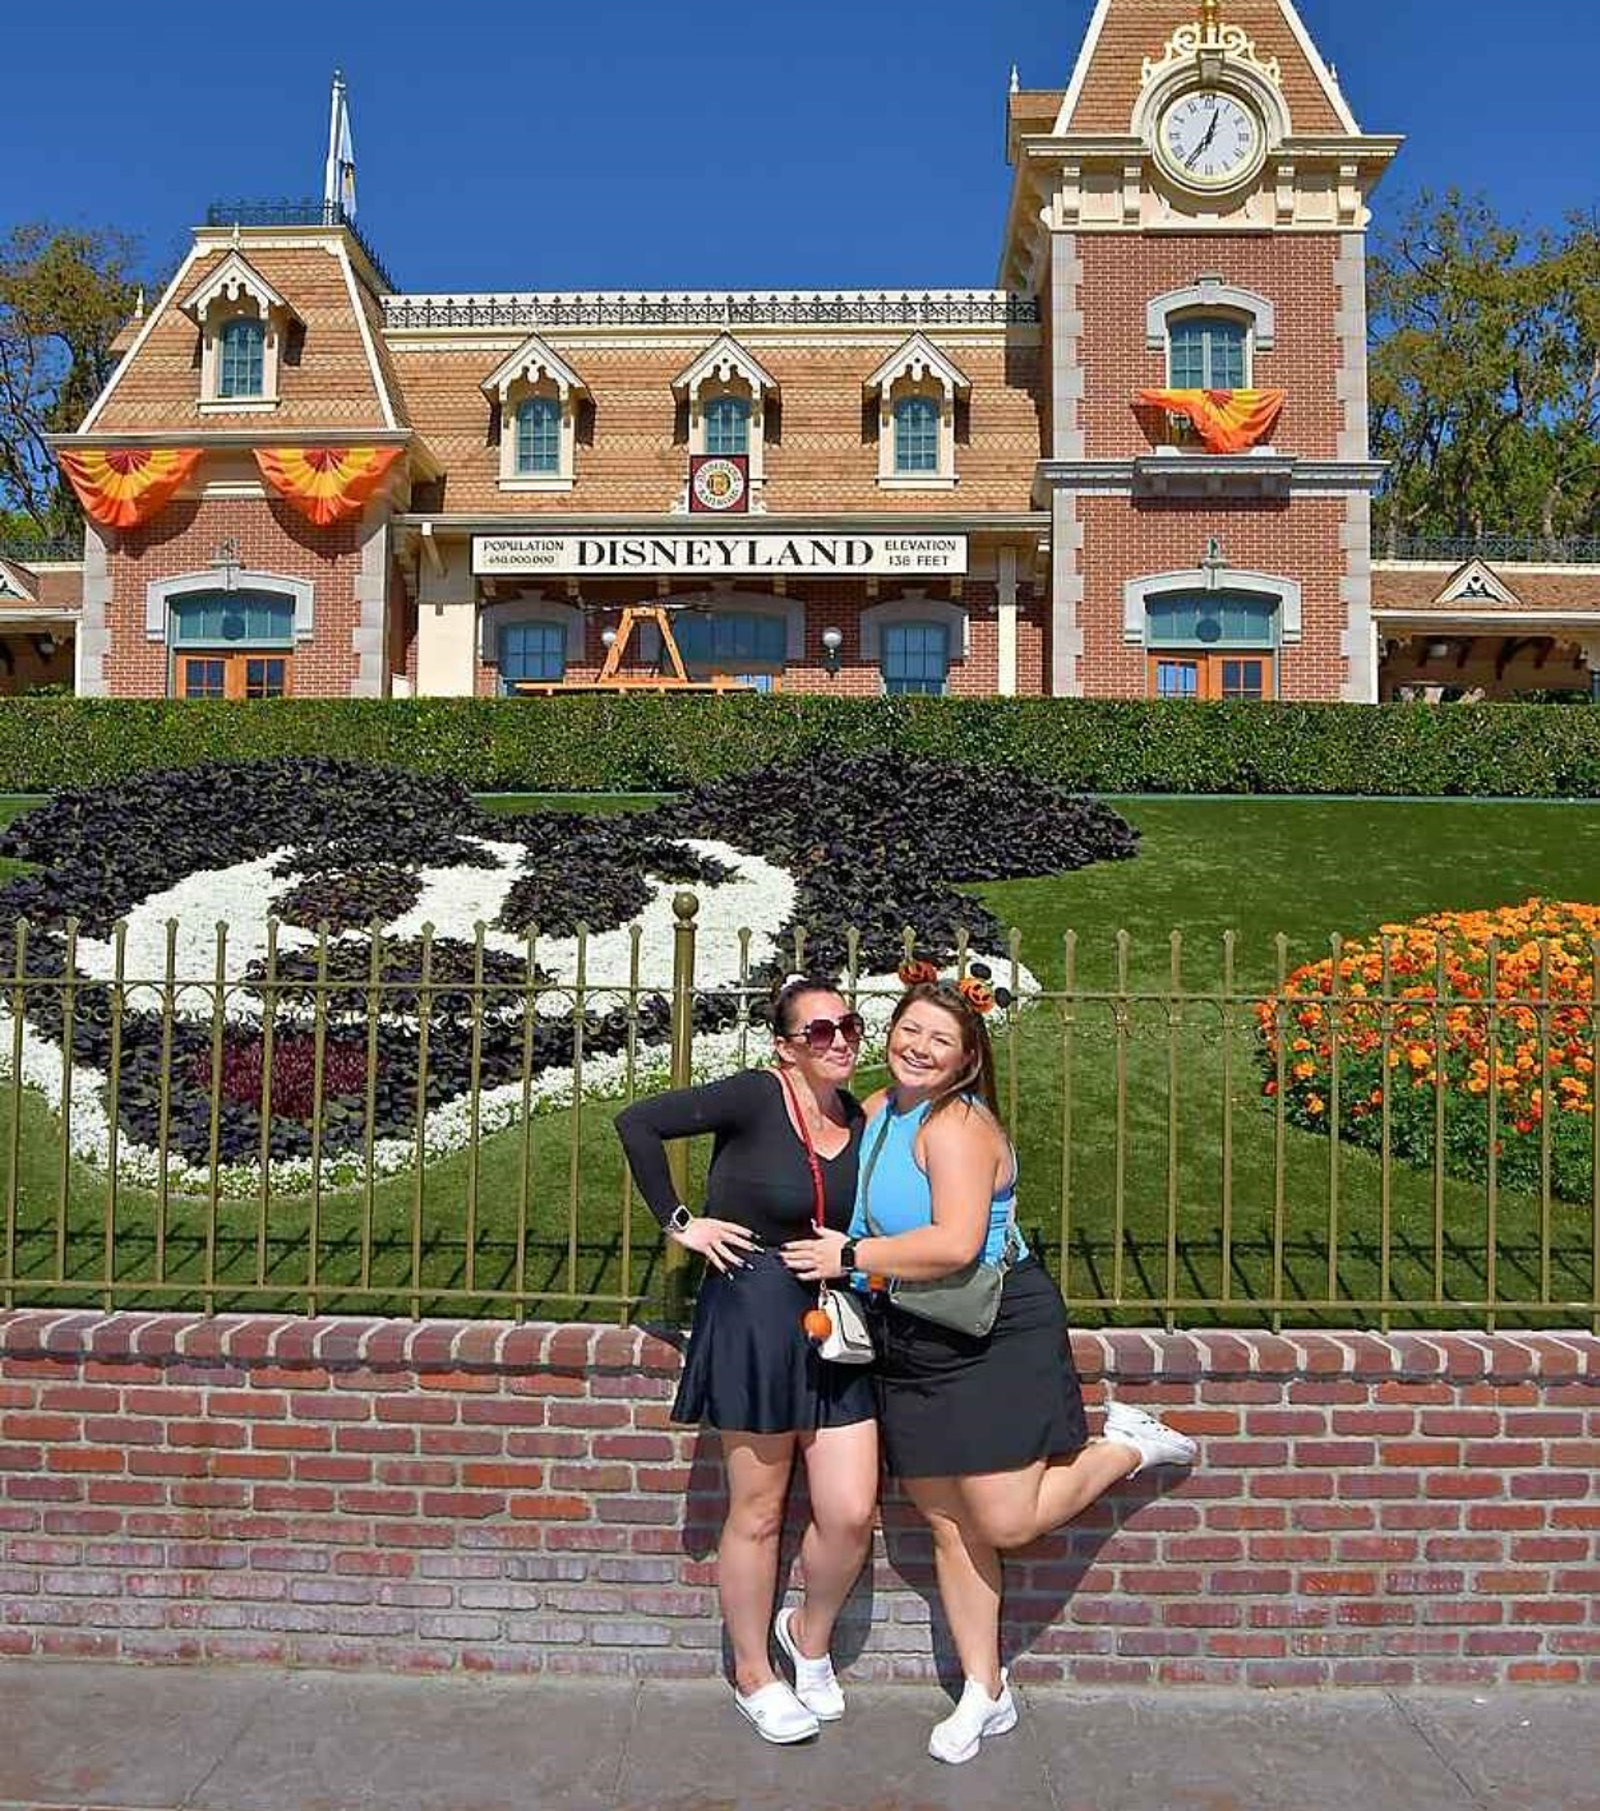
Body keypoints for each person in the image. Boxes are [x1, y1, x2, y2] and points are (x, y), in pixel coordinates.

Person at [782, 977, 1197, 1766]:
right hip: (910, 1331)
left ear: (969, 1058)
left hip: (990, 1327)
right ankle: (986, 1689)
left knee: (1004, 1520)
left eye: (941, 1038)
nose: (920, 1046)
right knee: (946, 1520)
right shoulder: (878, 1110)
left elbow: (957, 1242)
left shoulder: (958, 1125)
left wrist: (851, 1255)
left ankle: (1127, 1446)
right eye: (910, 1028)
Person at [614, 976, 879, 1745]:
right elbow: (637, 1123)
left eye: (848, 1025)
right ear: (784, 1045)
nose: (837, 1040)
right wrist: (683, 1223)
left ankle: (809, 1633)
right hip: (754, 1314)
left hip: (835, 1322)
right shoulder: (755, 1095)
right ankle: (753, 1671)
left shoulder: (861, 1117)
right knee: (758, 1511)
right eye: (818, 1030)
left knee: (850, 1509)